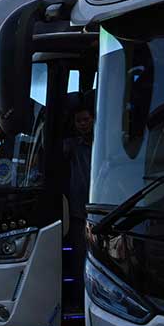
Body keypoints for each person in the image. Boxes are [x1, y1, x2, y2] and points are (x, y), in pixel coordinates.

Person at [63, 106, 94, 294]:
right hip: (78, 210)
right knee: (79, 255)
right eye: (79, 121)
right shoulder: (72, 145)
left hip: (102, 205)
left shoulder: (105, 141)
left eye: (86, 119)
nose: (83, 124)